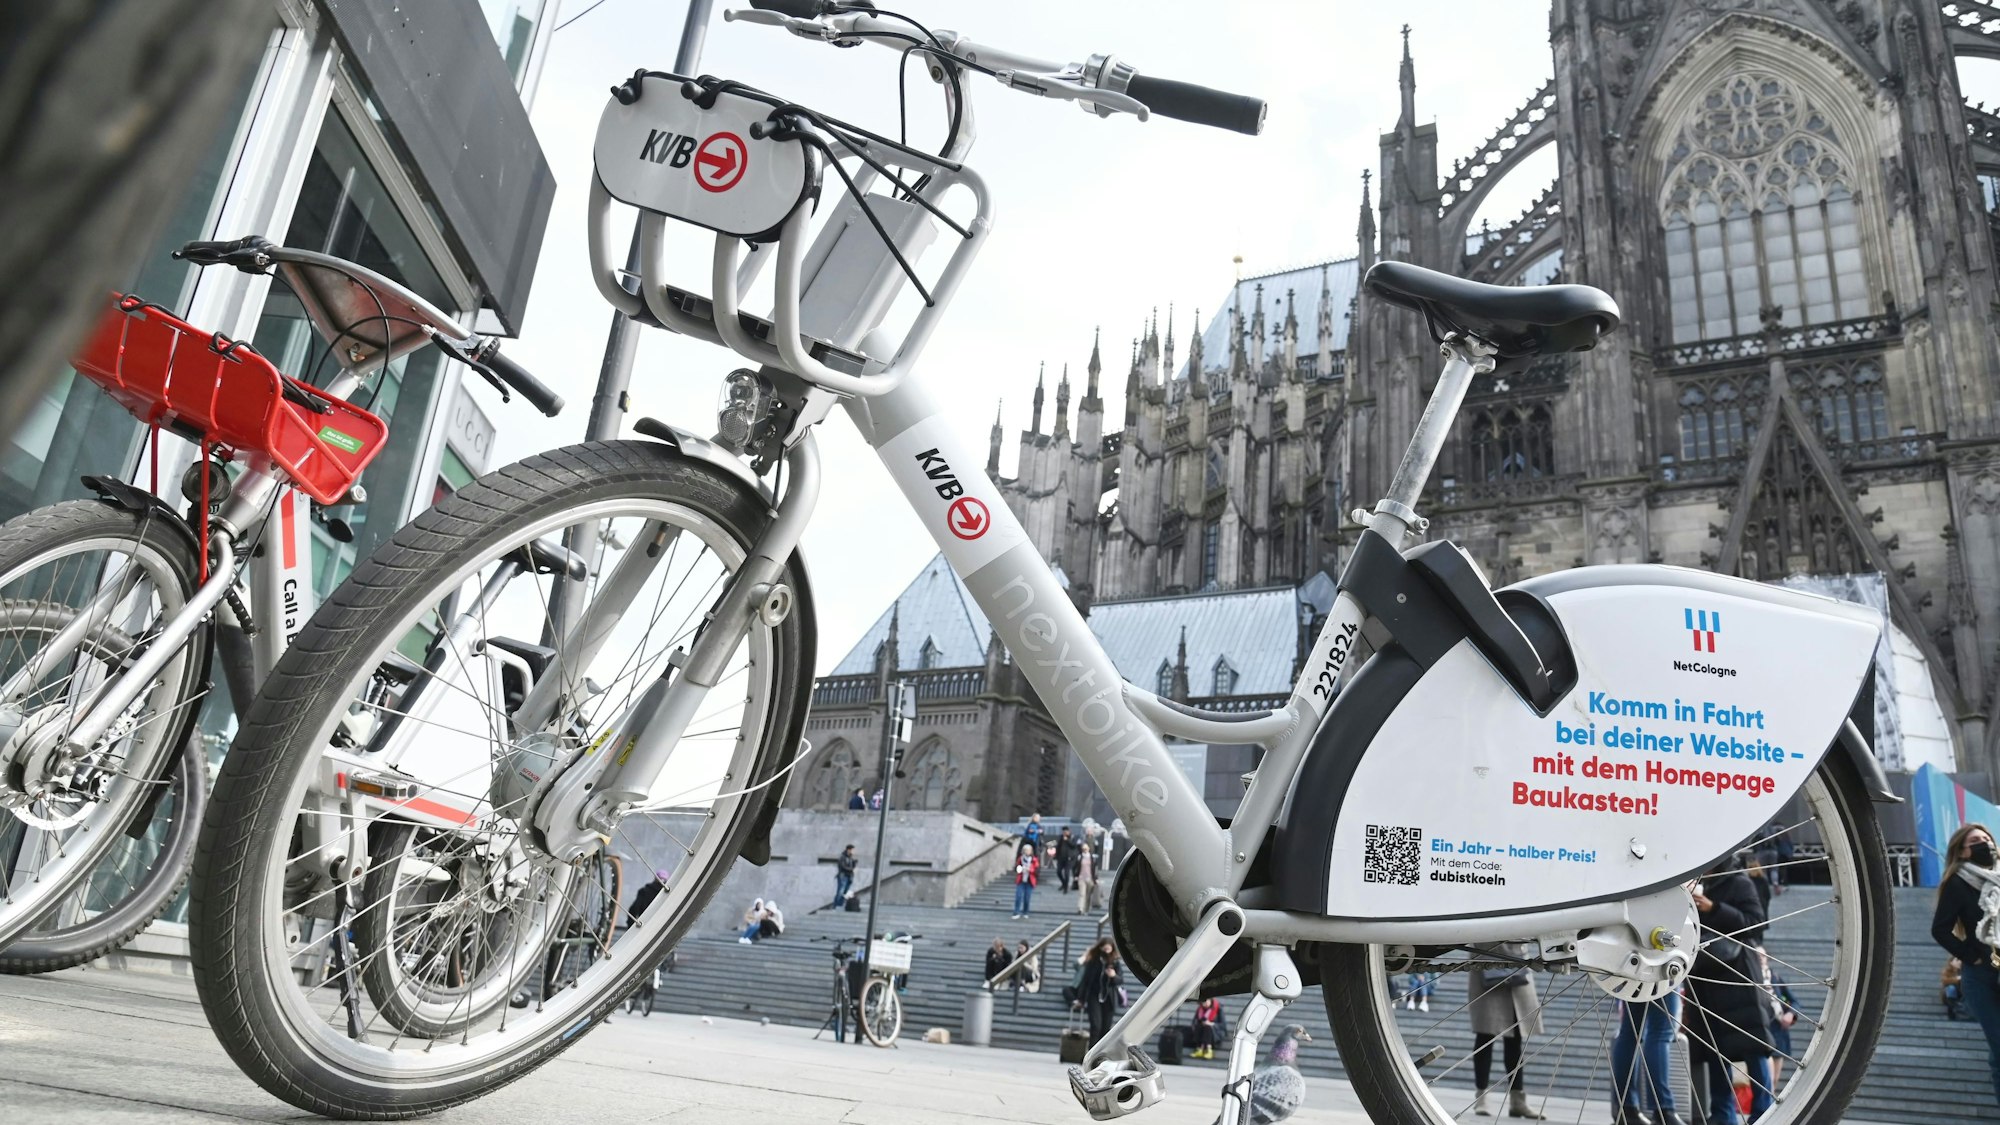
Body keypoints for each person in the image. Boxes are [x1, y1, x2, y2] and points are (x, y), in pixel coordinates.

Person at [1684, 857, 1775, 1124]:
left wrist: (1714, 908)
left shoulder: (1739, 881)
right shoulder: (1693, 885)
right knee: (1713, 1048)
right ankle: (1723, 1115)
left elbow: (1756, 922)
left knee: (1753, 1044)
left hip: (1738, 975)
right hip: (1704, 974)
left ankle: (1764, 1111)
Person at [1932, 822, 2000, 1103]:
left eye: (1987, 838)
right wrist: (1971, 955)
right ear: (1962, 851)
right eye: (1975, 840)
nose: (1984, 843)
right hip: (1981, 976)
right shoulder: (1958, 882)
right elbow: (1940, 929)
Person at [1468, 943, 1546, 1119]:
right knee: (1485, 1034)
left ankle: (1517, 1100)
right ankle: (1481, 1098)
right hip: (1487, 959)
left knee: (1515, 1038)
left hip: (1517, 961)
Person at [1610, 992, 1683, 1125]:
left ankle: (1627, 1109)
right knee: (1660, 1033)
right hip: (1658, 975)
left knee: (1629, 1032)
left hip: (1629, 975)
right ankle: (1663, 1109)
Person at [1073, 939, 1123, 1047]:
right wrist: (1081, 999)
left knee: (1106, 1029)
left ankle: (1101, 1056)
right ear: (1100, 948)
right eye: (1104, 948)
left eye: (1109, 948)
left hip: (1109, 999)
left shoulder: (1115, 963)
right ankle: (1092, 1056)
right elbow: (1085, 981)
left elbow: (1120, 981)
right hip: (1094, 996)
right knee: (1096, 1026)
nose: (1106, 951)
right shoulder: (1093, 962)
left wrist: (1113, 976)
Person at [1189, 996, 1223, 1060]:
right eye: (1203, 1003)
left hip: (1215, 1034)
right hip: (1201, 1032)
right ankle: (1200, 1049)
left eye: (1206, 1002)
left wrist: (1212, 1024)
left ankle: (1208, 1050)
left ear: (1210, 1000)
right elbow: (1194, 1022)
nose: (1205, 1004)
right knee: (1201, 1025)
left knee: (1208, 1026)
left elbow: (1223, 1025)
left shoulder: (1218, 1008)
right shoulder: (1200, 1009)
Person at [1011, 841, 1040, 918]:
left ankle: (1025, 911)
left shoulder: (1034, 860)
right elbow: (1016, 868)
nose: (1027, 852)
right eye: (1026, 850)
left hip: (1030, 880)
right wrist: (1020, 869)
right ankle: (1016, 912)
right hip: (1021, 879)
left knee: (1027, 897)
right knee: (1018, 896)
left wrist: (1030, 870)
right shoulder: (1020, 859)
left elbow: (1037, 870)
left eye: (1028, 850)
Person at [1075, 837, 1099, 914]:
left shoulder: (1092, 858)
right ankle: (1080, 908)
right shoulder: (1080, 857)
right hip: (1081, 878)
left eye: (1086, 848)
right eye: (1083, 848)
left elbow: (1095, 869)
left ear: (1089, 848)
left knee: (1088, 895)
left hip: (1090, 879)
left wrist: (1096, 878)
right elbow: (1076, 868)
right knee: (1082, 894)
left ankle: (1086, 909)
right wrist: (1076, 876)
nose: (1085, 849)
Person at [1945, 956, 1972, 1021]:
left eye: (1960, 960)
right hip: (1951, 992)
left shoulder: (1965, 970)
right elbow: (1944, 980)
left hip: (1963, 991)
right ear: (1951, 962)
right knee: (1951, 988)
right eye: (1957, 960)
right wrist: (1957, 979)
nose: (1960, 962)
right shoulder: (1948, 971)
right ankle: (1952, 1010)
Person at [832, 844, 858, 909]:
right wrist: (852, 869)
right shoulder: (842, 857)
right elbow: (843, 866)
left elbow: (852, 867)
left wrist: (854, 863)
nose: (853, 852)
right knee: (840, 891)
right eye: (852, 850)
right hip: (843, 876)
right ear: (848, 850)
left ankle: (840, 905)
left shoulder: (851, 858)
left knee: (845, 892)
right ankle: (836, 906)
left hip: (849, 877)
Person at [1054, 826, 1079, 893]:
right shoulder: (1061, 837)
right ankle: (1063, 883)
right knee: (1058, 871)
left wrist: (1067, 840)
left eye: (1066, 831)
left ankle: (1066, 887)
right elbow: (1058, 847)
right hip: (1061, 858)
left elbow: (1073, 845)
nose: (1065, 833)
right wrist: (1056, 856)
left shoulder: (1073, 837)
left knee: (1066, 873)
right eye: (1064, 832)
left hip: (1070, 859)